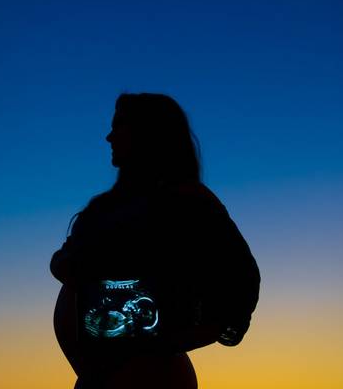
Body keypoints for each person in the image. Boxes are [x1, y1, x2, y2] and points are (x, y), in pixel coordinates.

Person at [50, 93, 260, 389]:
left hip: (152, 376)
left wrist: (177, 339)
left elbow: (241, 280)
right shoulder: (108, 207)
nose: (109, 137)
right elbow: (69, 263)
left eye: (119, 126)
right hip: (98, 377)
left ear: (148, 131)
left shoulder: (187, 202)